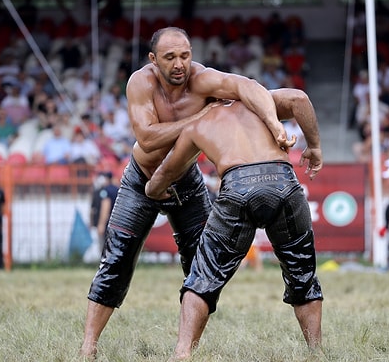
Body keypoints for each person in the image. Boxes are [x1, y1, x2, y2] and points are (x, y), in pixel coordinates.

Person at [80, 27, 321, 358]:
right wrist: (200, 118)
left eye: (185, 55)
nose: (180, 64)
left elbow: (247, 86)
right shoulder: (141, 82)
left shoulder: (202, 79)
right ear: (153, 60)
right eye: (170, 58)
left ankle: (186, 349)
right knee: (117, 259)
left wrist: (275, 124)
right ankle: (88, 346)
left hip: (186, 179)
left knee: (202, 266)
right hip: (143, 179)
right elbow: (148, 138)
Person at [145, 100, 323, 359]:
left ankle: (182, 353)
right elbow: (299, 98)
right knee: (302, 273)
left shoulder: (198, 123)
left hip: (237, 186)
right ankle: (316, 352)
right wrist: (314, 146)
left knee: (203, 276)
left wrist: (153, 191)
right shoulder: (262, 102)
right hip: (283, 181)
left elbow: (166, 172)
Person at [89, 171, 119, 252]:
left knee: (105, 248)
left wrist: (101, 224)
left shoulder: (105, 191)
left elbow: (105, 207)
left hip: (108, 223)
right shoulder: (117, 189)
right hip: (118, 222)